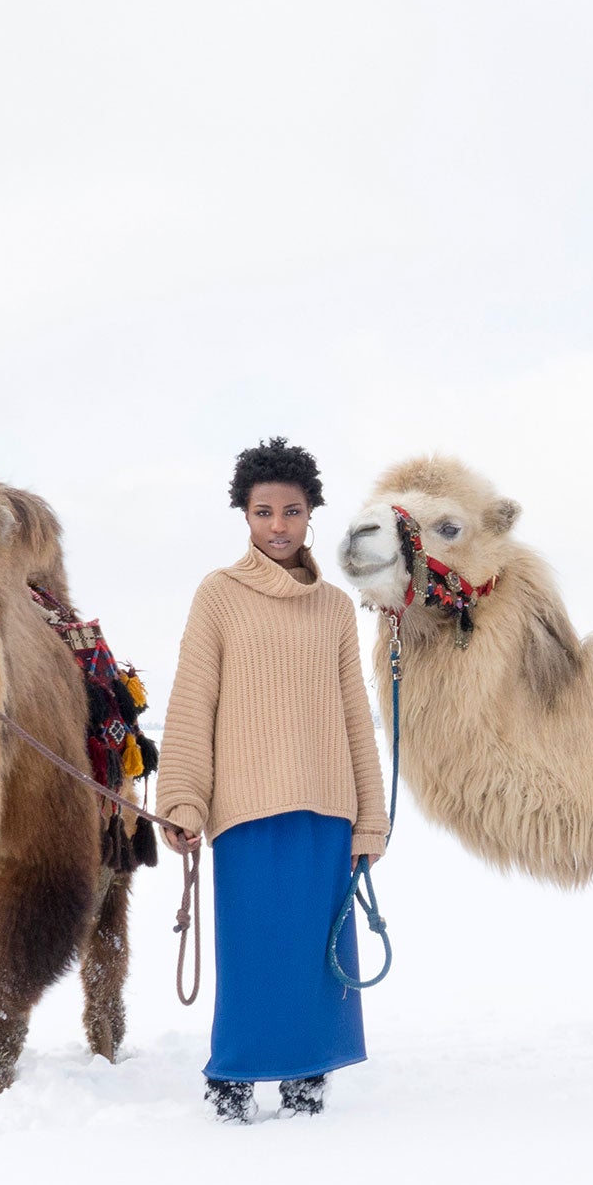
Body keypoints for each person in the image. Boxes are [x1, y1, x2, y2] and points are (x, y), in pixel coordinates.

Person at [156, 437, 390, 1121]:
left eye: (292, 511)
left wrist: (370, 819)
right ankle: (232, 1074)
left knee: (318, 956)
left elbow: (356, 721)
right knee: (253, 951)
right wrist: (182, 797)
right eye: (264, 512)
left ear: (311, 513)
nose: (278, 526)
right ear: (246, 516)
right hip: (246, 808)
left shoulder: (336, 610)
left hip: (327, 809)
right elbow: (193, 702)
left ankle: (307, 1072)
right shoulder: (219, 595)